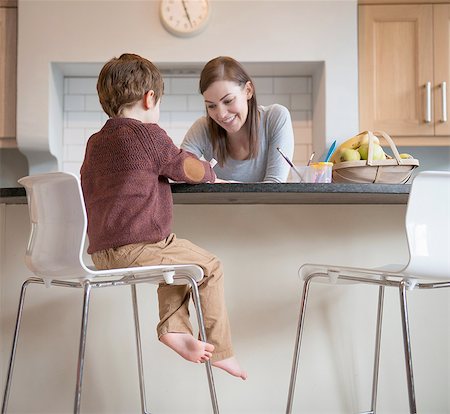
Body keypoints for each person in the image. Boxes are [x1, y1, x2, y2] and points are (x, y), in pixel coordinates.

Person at [80, 53, 246, 380]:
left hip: (100, 254)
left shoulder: (95, 143)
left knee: (176, 254)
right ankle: (221, 350)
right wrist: (213, 175)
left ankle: (174, 328)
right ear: (149, 97)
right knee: (209, 266)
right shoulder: (148, 135)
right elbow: (185, 166)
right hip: (138, 248)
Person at [181, 56, 294, 183]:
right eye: (211, 106)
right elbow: (179, 172)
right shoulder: (203, 127)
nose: (221, 115)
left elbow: (274, 187)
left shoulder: (275, 117)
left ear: (248, 90)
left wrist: (217, 183)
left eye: (228, 101)